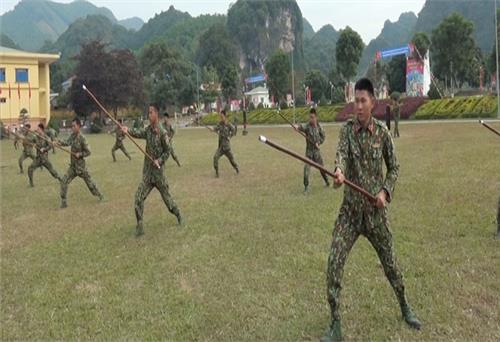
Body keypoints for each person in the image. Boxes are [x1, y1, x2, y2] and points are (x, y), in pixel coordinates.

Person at [321, 78, 420, 342]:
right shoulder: (346, 132)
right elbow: (340, 155)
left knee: (391, 266)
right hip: (350, 215)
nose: (359, 106)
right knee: (334, 264)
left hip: (375, 215)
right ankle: (335, 324)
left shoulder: (383, 134)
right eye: (356, 100)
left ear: (373, 103)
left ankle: (404, 305)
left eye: (363, 100)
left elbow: (395, 167)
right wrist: (339, 171)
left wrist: (384, 192)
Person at [122, 104, 183, 236]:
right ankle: (140, 226)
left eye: (150, 112)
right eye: (148, 113)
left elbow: (167, 152)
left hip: (159, 175)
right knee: (138, 197)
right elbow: (139, 133)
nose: (148, 115)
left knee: (169, 202)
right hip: (148, 174)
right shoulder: (148, 130)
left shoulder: (163, 132)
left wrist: (159, 161)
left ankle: (178, 214)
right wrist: (128, 130)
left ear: (156, 114)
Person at [59, 118, 104, 208]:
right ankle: (64, 202)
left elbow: (88, 152)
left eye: (74, 126)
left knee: (90, 183)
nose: (72, 127)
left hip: (81, 167)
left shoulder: (82, 138)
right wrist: (58, 142)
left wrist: (80, 154)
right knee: (64, 181)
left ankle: (100, 195)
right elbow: (67, 142)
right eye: (72, 126)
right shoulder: (73, 136)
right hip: (73, 167)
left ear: (79, 126)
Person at [297, 108, 329, 192]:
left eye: (312, 117)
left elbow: (323, 137)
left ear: (316, 117)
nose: (311, 119)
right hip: (309, 153)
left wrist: (319, 143)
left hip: (316, 152)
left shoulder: (319, 127)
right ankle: (306, 187)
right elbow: (301, 127)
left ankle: (327, 181)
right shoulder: (307, 126)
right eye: (310, 117)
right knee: (306, 170)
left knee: (322, 169)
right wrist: (298, 127)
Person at [212, 110, 239, 177]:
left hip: (226, 147)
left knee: (232, 160)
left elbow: (234, 131)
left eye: (222, 116)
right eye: (220, 116)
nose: (221, 118)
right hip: (221, 147)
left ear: (225, 116)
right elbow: (215, 129)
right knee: (215, 157)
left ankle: (236, 168)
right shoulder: (220, 124)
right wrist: (212, 129)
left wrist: (229, 136)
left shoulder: (228, 124)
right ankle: (217, 173)